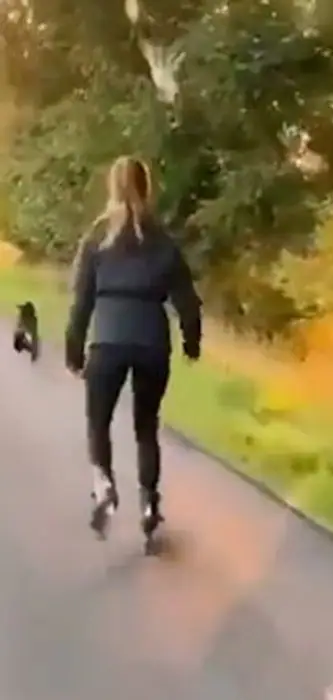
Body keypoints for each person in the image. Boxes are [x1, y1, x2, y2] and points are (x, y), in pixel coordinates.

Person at [64, 155, 203, 540]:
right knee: (146, 427)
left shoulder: (96, 238)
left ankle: (104, 485)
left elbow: (82, 300)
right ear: (146, 187)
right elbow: (187, 301)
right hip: (151, 343)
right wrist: (192, 341)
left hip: (107, 341)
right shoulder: (162, 240)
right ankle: (148, 502)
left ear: (111, 186)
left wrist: (74, 348)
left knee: (98, 421)